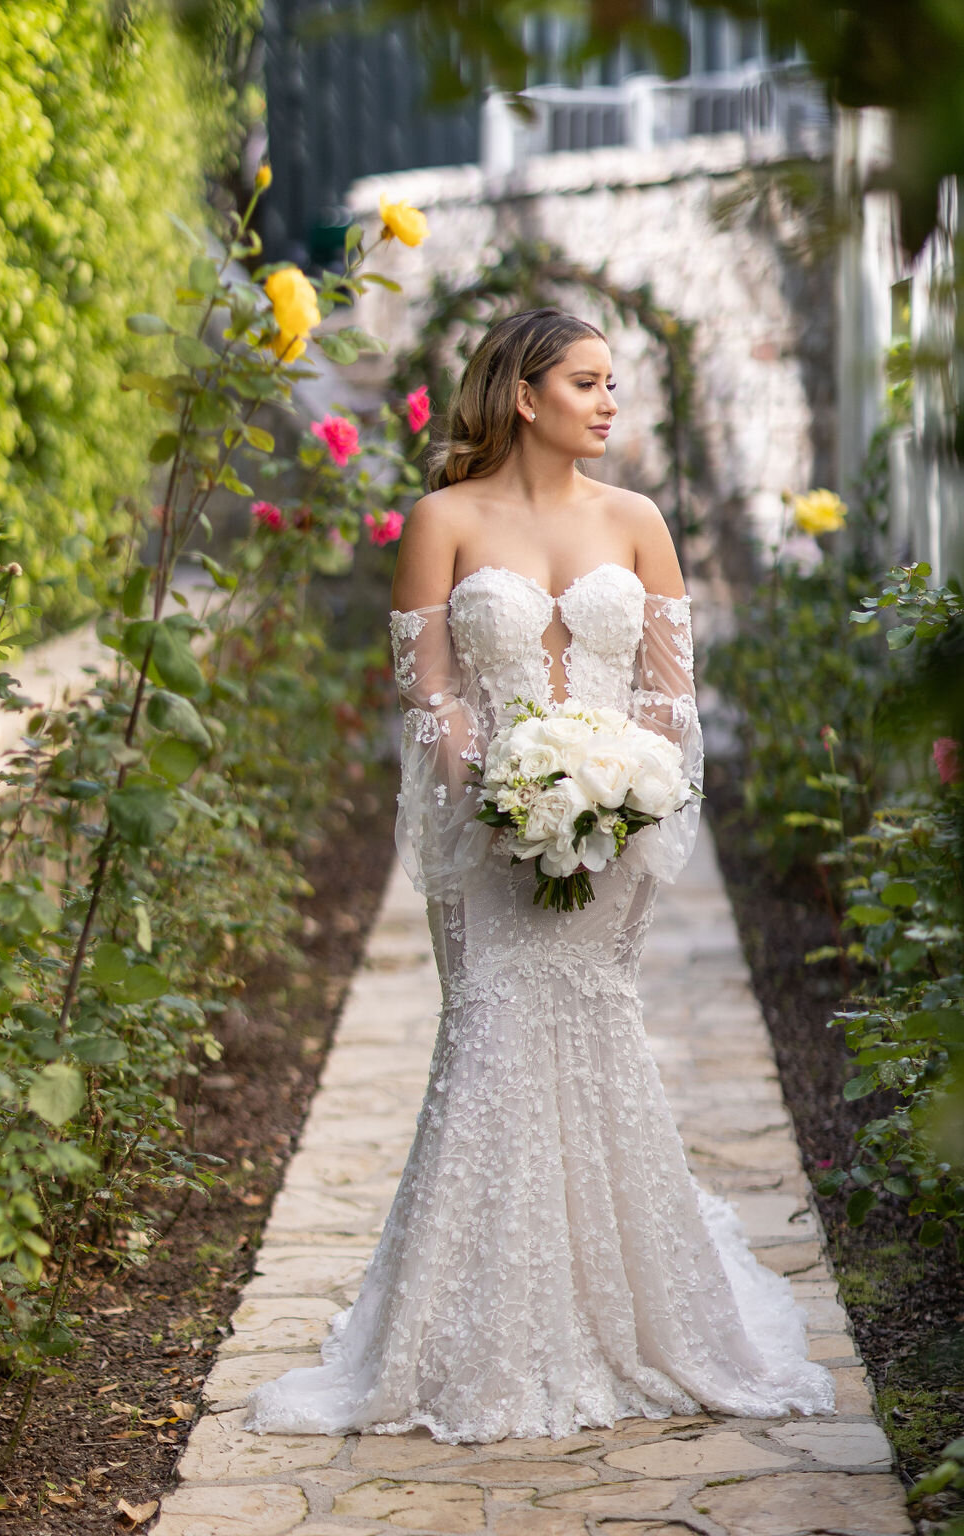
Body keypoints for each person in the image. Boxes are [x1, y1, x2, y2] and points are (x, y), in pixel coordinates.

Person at [245, 307, 835, 1443]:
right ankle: (473, 1332)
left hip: (613, 830)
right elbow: (426, 691)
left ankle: (629, 1310)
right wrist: (500, 789)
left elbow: (668, 690)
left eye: (613, 383)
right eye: (586, 382)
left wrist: (626, 789)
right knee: (490, 1039)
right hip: (488, 834)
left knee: (594, 1031)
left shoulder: (639, 520)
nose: (608, 402)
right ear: (525, 396)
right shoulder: (442, 519)